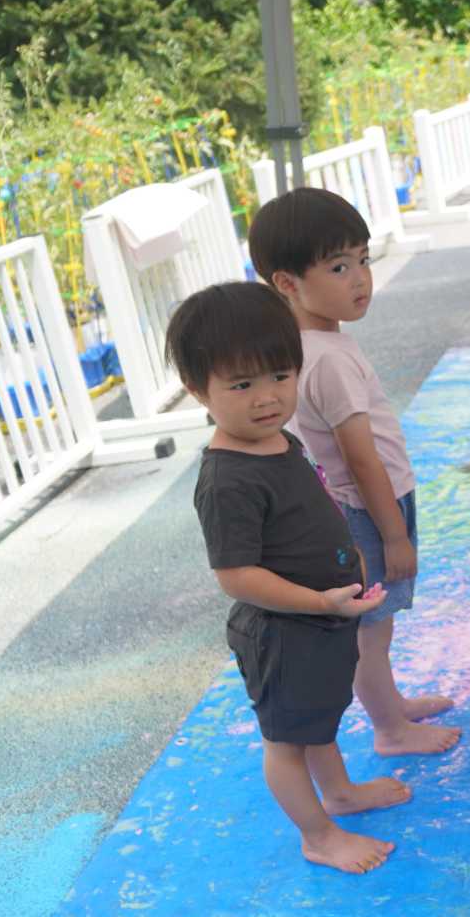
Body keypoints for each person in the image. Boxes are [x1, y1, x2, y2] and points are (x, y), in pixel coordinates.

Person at [167, 281, 411, 874]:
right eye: (241, 385)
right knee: (287, 742)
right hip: (284, 632)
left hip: (322, 617)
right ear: (199, 390)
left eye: (280, 375)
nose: (267, 397)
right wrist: (319, 601)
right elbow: (236, 575)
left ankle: (341, 793)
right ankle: (319, 835)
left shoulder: (280, 438)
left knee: (320, 719)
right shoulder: (227, 480)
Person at [261, 188, 461, 758]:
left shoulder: (313, 345)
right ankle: (390, 729)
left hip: (359, 508)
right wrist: (393, 534)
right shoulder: (325, 359)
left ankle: (390, 706)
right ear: (288, 283)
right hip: (368, 512)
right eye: (339, 266)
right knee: (371, 633)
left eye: (364, 260)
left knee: (379, 628)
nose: (361, 279)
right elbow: (360, 456)